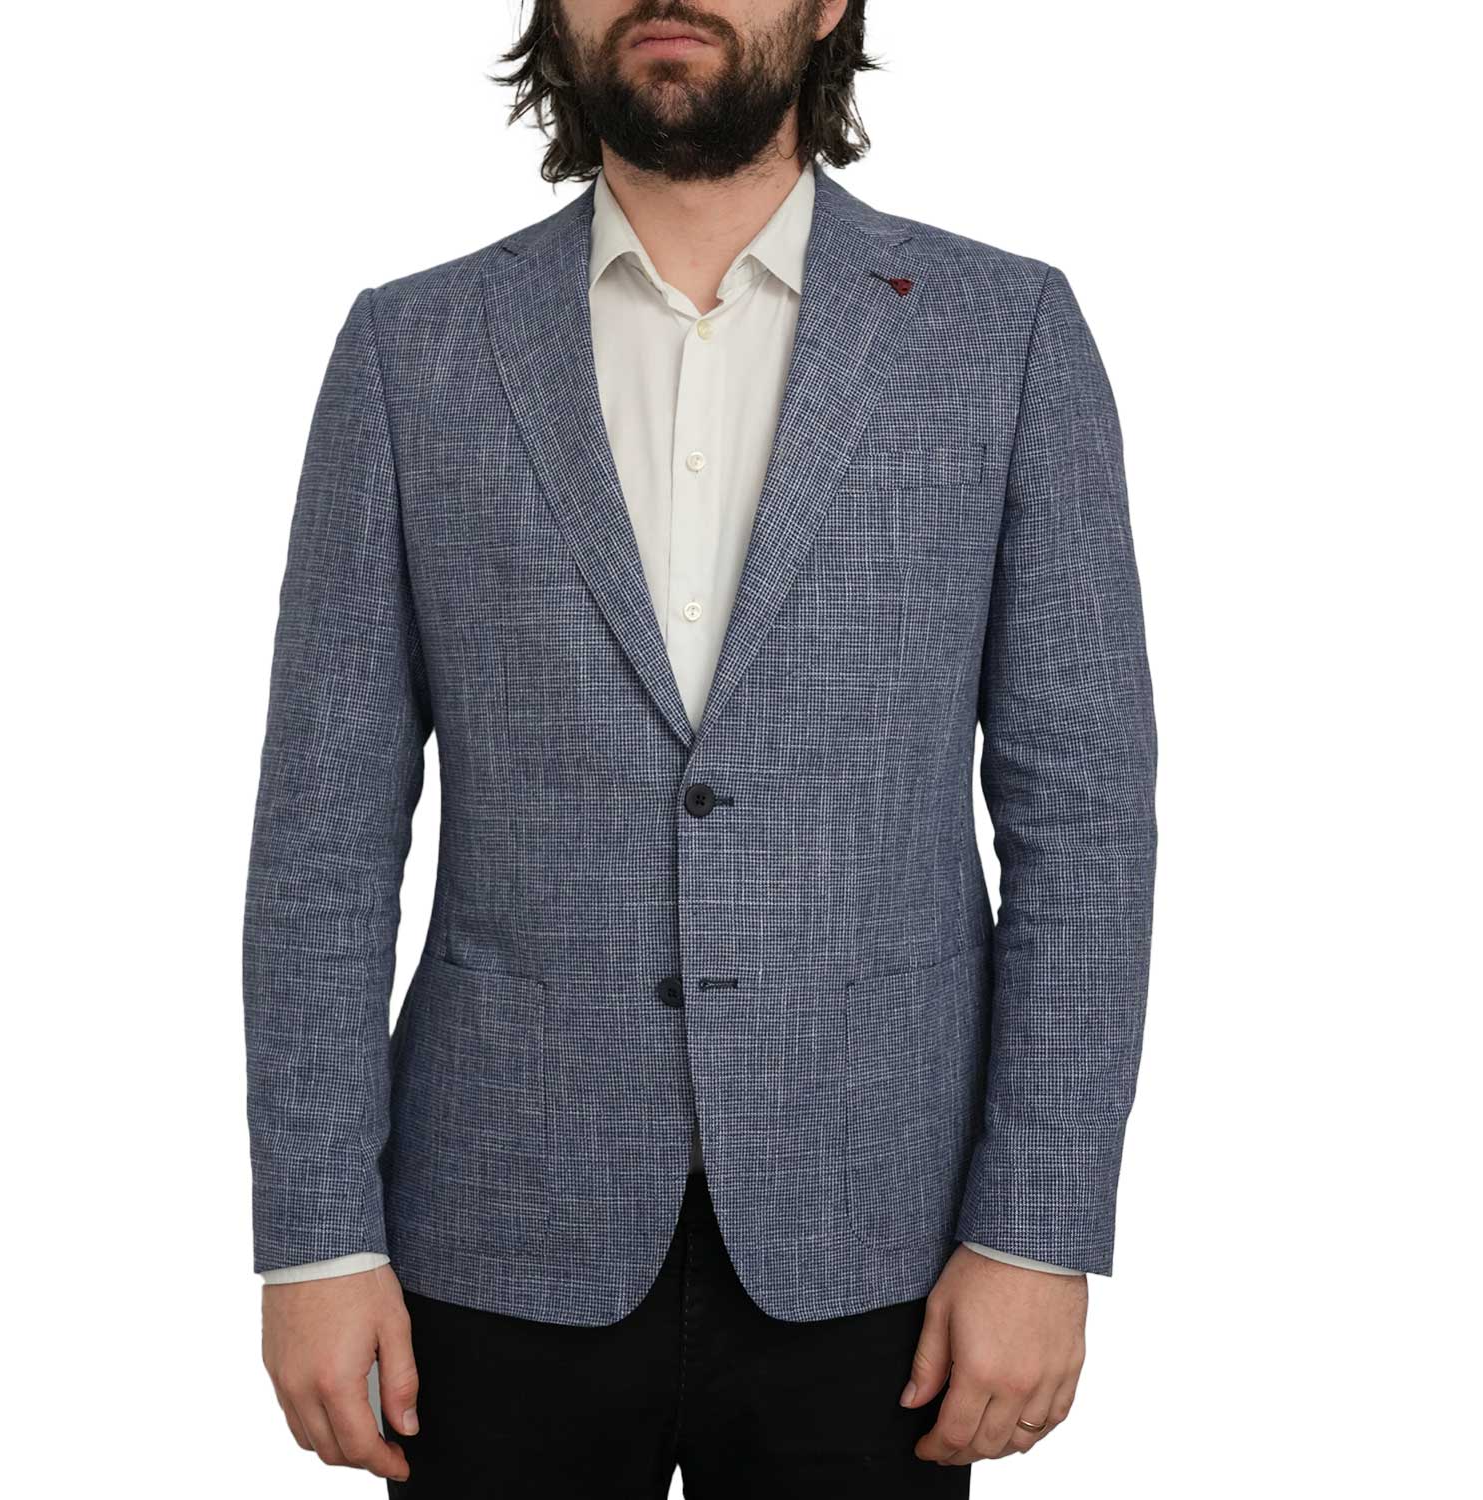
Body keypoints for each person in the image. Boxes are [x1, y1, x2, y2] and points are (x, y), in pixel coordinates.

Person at [243, 2, 1158, 1494]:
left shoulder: (1004, 334)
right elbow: (322, 841)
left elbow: (1085, 827)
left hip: (889, 1239)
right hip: (492, 1233)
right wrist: (315, 1240)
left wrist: (1039, 1230)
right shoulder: (412, 350)